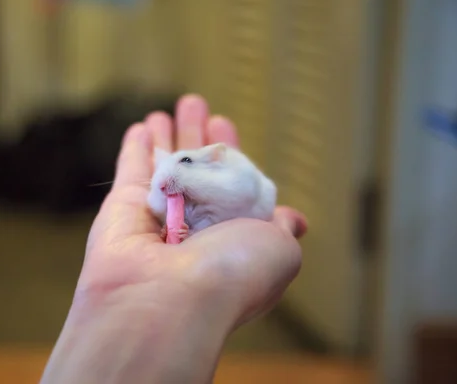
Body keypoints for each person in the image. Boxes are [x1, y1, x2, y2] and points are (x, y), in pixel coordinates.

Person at [39, 94, 308, 383]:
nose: (164, 183)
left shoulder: (236, 179)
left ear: (215, 160)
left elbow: (228, 205)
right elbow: (161, 205)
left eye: (185, 163)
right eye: (159, 175)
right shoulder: (165, 186)